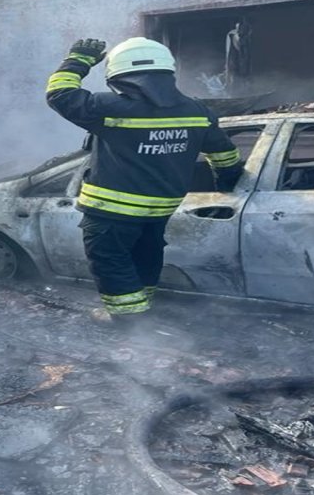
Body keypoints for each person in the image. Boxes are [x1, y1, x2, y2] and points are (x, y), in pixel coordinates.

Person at [45, 38, 244, 322]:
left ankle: (129, 320)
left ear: (118, 75)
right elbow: (226, 154)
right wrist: (227, 182)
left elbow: (59, 95)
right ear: (167, 71)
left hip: (110, 211)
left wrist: (78, 59)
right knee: (147, 256)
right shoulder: (197, 112)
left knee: (111, 262)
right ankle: (143, 306)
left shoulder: (109, 107)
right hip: (160, 209)